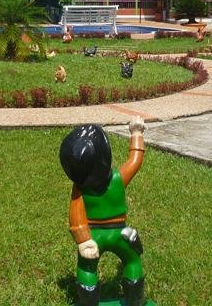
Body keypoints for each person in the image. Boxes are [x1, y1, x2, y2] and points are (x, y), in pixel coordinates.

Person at [59, 116, 147, 306]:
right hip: (120, 233)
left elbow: (76, 216)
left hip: (93, 236)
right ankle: (134, 299)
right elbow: (135, 160)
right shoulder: (118, 178)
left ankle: (88, 301)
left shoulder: (80, 188)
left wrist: (83, 240)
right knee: (132, 261)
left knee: (87, 267)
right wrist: (136, 133)